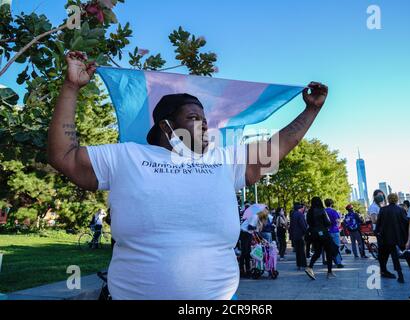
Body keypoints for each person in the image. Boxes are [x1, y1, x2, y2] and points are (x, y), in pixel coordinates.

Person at [47, 51, 328, 300]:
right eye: (194, 118)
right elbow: (65, 156)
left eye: (205, 119)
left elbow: (274, 149)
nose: (205, 125)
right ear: (166, 126)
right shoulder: (126, 156)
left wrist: (311, 110)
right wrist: (71, 88)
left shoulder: (223, 160)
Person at [376, 193, 409, 283]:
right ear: (397, 199)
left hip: (385, 237)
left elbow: (378, 223)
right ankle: (400, 275)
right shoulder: (401, 210)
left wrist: (377, 233)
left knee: (383, 256)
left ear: (388, 199)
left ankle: (385, 270)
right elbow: (406, 222)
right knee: (396, 255)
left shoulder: (383, 209)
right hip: (397, 237)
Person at [305, 197, 335, 280]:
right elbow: (327, 222)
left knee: (317, 252)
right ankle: (329, 272)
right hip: (324, 234)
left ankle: (310, 267)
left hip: (314, 235)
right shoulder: (322, 210)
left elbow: (308, 222)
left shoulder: (309, 212)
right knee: (329, 252)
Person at [239, 204, 269, 278]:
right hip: (244, 233)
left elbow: (253, 229)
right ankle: (243, 270)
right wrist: (256, 229)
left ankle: (246, 270)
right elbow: (250, 227)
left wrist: (261, 239)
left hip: (247, 234)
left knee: (247, 252)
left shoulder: (257, 217)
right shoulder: (255, 217)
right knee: (245, 253)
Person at [324, 199, 344, 268]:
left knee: (327, 248)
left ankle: (328, 261)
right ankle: (338, 262)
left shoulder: (323, 211)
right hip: (334, 230)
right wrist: (339, 225)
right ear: (331, 204)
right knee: (336, 247)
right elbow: (338, 221)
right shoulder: (333, 211)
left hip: (326, 232)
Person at [290, 203, 308, 270]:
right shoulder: (300, 214)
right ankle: (303, 264)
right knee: (302, 250)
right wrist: (306, 232)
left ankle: (298, 264)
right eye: (302, 208)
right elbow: (303, 225)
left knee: (297, 251)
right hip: (300, 235)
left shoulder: (293, 214)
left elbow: (291, 226)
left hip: (295, 235)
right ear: (300, 209)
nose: (303, 209)